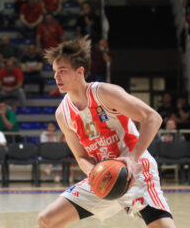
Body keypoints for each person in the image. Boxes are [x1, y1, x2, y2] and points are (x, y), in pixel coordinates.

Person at [37, 37, 175, 228]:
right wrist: (93, 172)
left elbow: (153, 118)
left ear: (79, 72)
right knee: (47, 220)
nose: (56, 77)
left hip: (137, 170)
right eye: (54, 72)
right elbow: (80, 156)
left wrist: (133, 158)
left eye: (62, 71)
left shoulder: (105, 93)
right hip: (104, 176)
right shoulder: (62, 113)